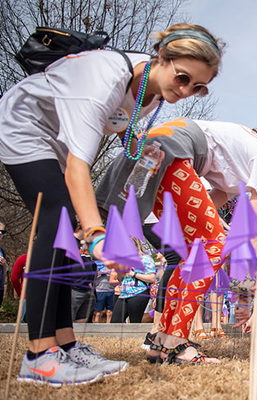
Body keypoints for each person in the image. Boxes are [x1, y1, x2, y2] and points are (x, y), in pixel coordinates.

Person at [0, 22, 224, 386]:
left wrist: (137, 146)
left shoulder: (150, 91)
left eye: (198, 87)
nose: (186, 91)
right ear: (162, 58)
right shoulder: (104, 79)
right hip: (24, 127)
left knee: (63, 234)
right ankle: (40, 356)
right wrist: (97, 234)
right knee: (56, 224)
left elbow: (120, 121)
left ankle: (65, 346)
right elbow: (78, 168)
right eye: (183, 78)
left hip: (54, 139)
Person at [96, 118, 257, 364]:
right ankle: (176, 341)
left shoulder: (240, 172)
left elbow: (211, 202)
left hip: (159, 149)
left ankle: (162, 341)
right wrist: (250, 299)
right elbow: (252, 226)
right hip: (172, 150)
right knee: (212, 247)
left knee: (193, 252)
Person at [111, 238, 156, 323]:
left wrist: (133, 274)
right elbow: (119, 279)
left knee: (135, 321)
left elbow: (152, 278)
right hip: (124, 294)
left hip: (139, 292)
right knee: (115, 321)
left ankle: (135, 336)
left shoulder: (146, 259)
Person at [0, 221, 8, 309]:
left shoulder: (2, 250)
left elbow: (4, 272)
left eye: (2, 232)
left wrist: (4, 264)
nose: (0, 234)